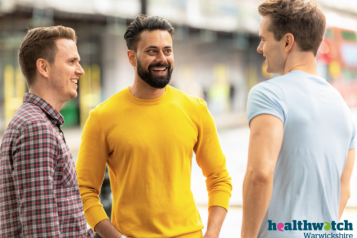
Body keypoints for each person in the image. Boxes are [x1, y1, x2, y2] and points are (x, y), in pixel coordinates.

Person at [76, 15, 232, 238]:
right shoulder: (102, 117)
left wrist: (212, 233)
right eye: (152, 51)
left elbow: (219, 178)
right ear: (131, 57)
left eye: (167, 50)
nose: (162, 58)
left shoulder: (195, 109)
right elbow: (85, 191)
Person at [241, 0, 356, 237]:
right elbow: (344, 191)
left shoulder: (269, 94)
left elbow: (260, 174)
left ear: (287, 42)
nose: (259, 48)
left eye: (264, 39)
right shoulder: (344, 110)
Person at [0, 26, 94, 237]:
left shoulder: (39, 123)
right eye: (71, 62)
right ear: (43, 67)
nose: (81, 70)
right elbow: (41, 231)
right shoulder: (36, 129)